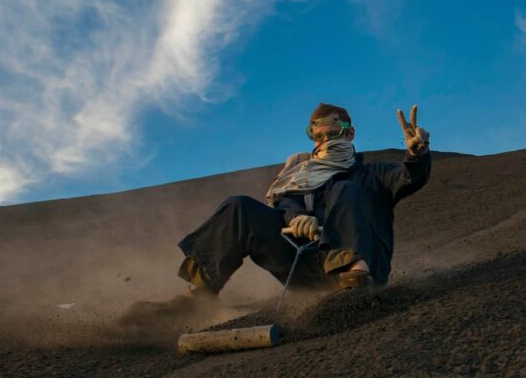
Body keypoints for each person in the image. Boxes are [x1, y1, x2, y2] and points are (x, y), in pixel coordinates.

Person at [176, 102, 431, 297]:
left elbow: (409, 178)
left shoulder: (374, 174)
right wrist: (296, 217)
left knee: (346, 189)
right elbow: (286, 203)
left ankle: (355, 279)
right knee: (239, 207)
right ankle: (201, 293)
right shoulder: (300, 175)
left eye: (333, 134)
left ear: (350, 133)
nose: (325, 141)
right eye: (318, 137)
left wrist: (416, 155)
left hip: (365, 272)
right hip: (306, 266)